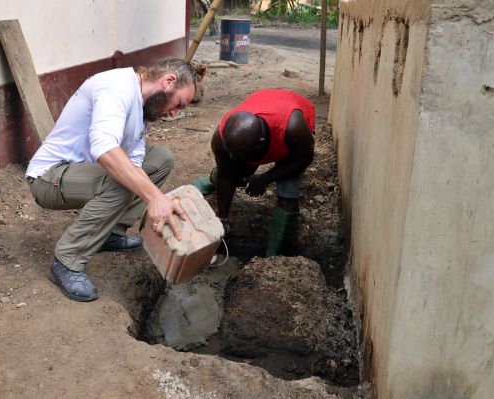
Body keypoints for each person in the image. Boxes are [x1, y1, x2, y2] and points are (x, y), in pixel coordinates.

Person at [25, 58, 197, 302]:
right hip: (49, 176)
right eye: (178, 103)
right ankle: (67, 260)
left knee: (161, 159)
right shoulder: (116, 87)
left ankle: (109, 232)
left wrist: (151, 193)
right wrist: (154, 197)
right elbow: (104, 149)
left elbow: (135, 162)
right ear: (168, 81)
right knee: (121, 179)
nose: (173, 113)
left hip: (83, 172)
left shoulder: (142, 107)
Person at [193, 89, 315, 257]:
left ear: (260, 144)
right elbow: (226, 175)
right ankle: (207, 181)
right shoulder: (222, 140)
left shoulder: (293, 130)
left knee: (287, 194)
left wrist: (264, 179)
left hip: (288, 123)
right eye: (231, 153)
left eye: (239, 154)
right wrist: (222, 218)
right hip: (262, 108)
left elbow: (304, 159)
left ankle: (273, 258)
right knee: (233, 173)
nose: (232, 157)